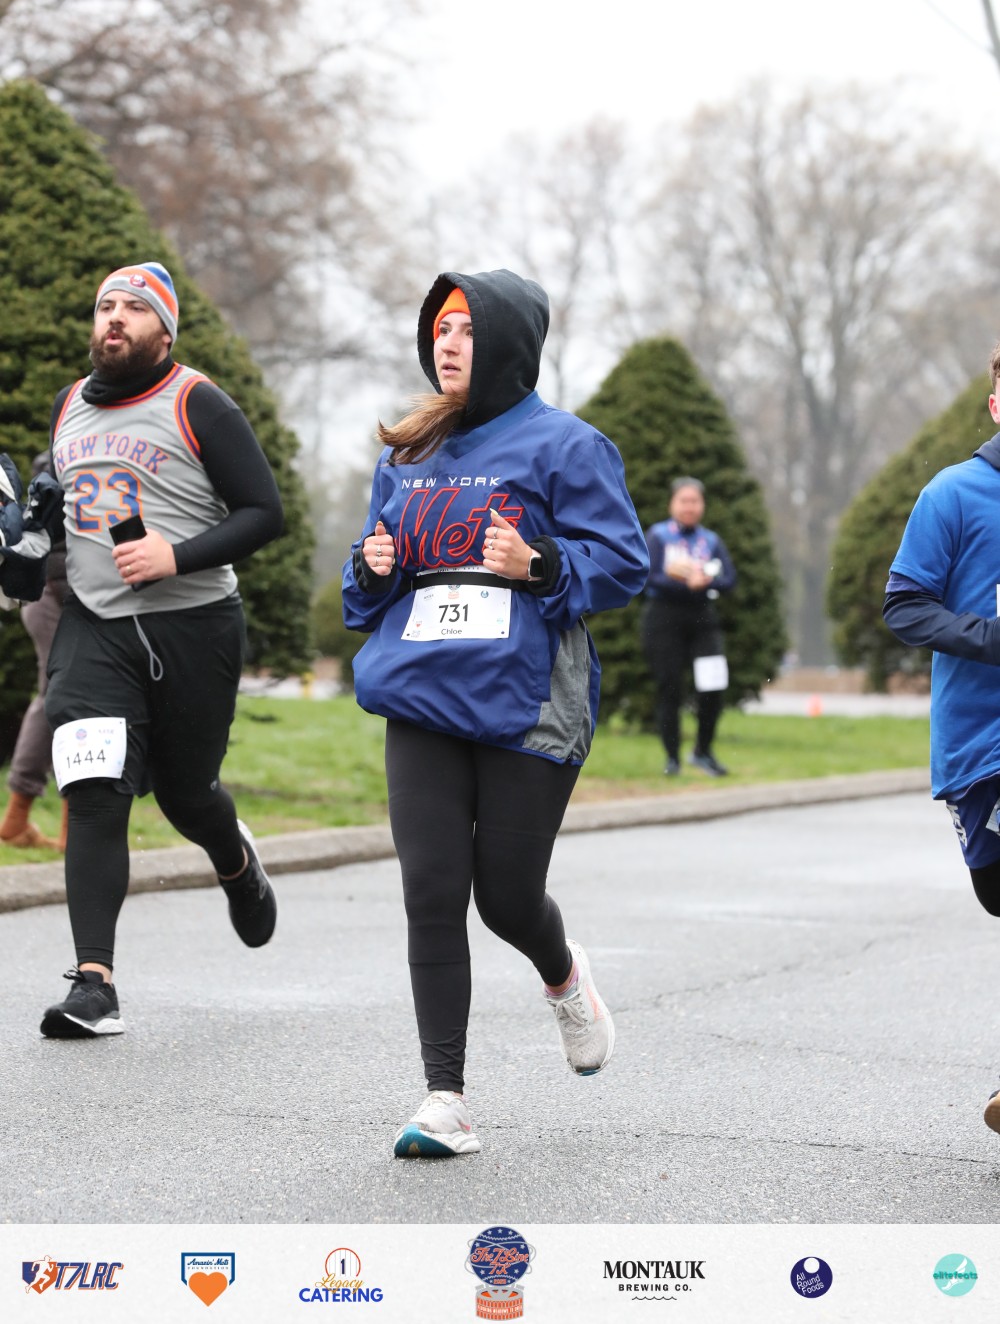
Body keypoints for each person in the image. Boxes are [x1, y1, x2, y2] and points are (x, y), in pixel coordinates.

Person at [342, 268, 649, 1158]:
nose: (446, 342)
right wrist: (369, 566)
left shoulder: (568, 446)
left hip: (527, 701)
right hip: (423, 695)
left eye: (467, 328)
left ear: (509, 342)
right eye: (439, 328)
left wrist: (539, 563)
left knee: (505, 898)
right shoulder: (407, 454)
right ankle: (445, 1098)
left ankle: (564, 976)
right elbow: (367, 592)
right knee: (432, 891)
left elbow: (623, 561)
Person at [39, 261, 284, 1039]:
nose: (115, 317)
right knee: (94, 790)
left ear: (166, 331)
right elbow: (74, 514)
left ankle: (235, 863)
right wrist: (27, 551)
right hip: (95, 627)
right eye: (106, 305)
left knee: (186, 795)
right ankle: (94, 984)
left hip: (194, 625)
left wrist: (175, 556)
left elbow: (263, 511)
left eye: (135, 309)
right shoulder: (68, 407)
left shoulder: (196, 402)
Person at [884, 340, 1000, 1135]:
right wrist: (991, 637)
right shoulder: (953, 494)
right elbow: (905, 605)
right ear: (995, 404)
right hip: (983, 744)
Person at [640, 477, 737, 777]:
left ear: (703, 505)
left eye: (695, 501)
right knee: (669, 688)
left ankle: (703, 752)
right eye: (684, 501)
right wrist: (681, 581)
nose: (689, 507)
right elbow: (646, 575)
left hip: (702, 617)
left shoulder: (710, 540)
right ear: (672, 503)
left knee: (713, 685)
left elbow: (729, 579)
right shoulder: (658, 536)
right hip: (663, 617)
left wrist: (707, 581)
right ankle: (672, 759)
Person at [0, 454, 69, 851]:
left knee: (54, 698)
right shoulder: (68, 456)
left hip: (50, 593)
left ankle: (18, 819)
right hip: (59, 594)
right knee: (68, 699)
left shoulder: (55, 457)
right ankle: (72, 829)